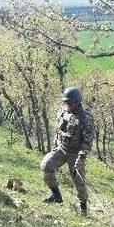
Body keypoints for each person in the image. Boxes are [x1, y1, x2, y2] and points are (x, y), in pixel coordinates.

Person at [40, 87, 95, 215]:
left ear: (77, 102)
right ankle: (56, 196)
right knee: (46, 165)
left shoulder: (85, 118)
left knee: (78, 181)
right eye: (66, 102)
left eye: (70, 102)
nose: (68, 105)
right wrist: (56, 145)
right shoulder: (62, 112)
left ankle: (83, 208)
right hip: (62, 148)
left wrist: (81, 157)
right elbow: (58, 130)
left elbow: (88, 141)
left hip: (76, 153)